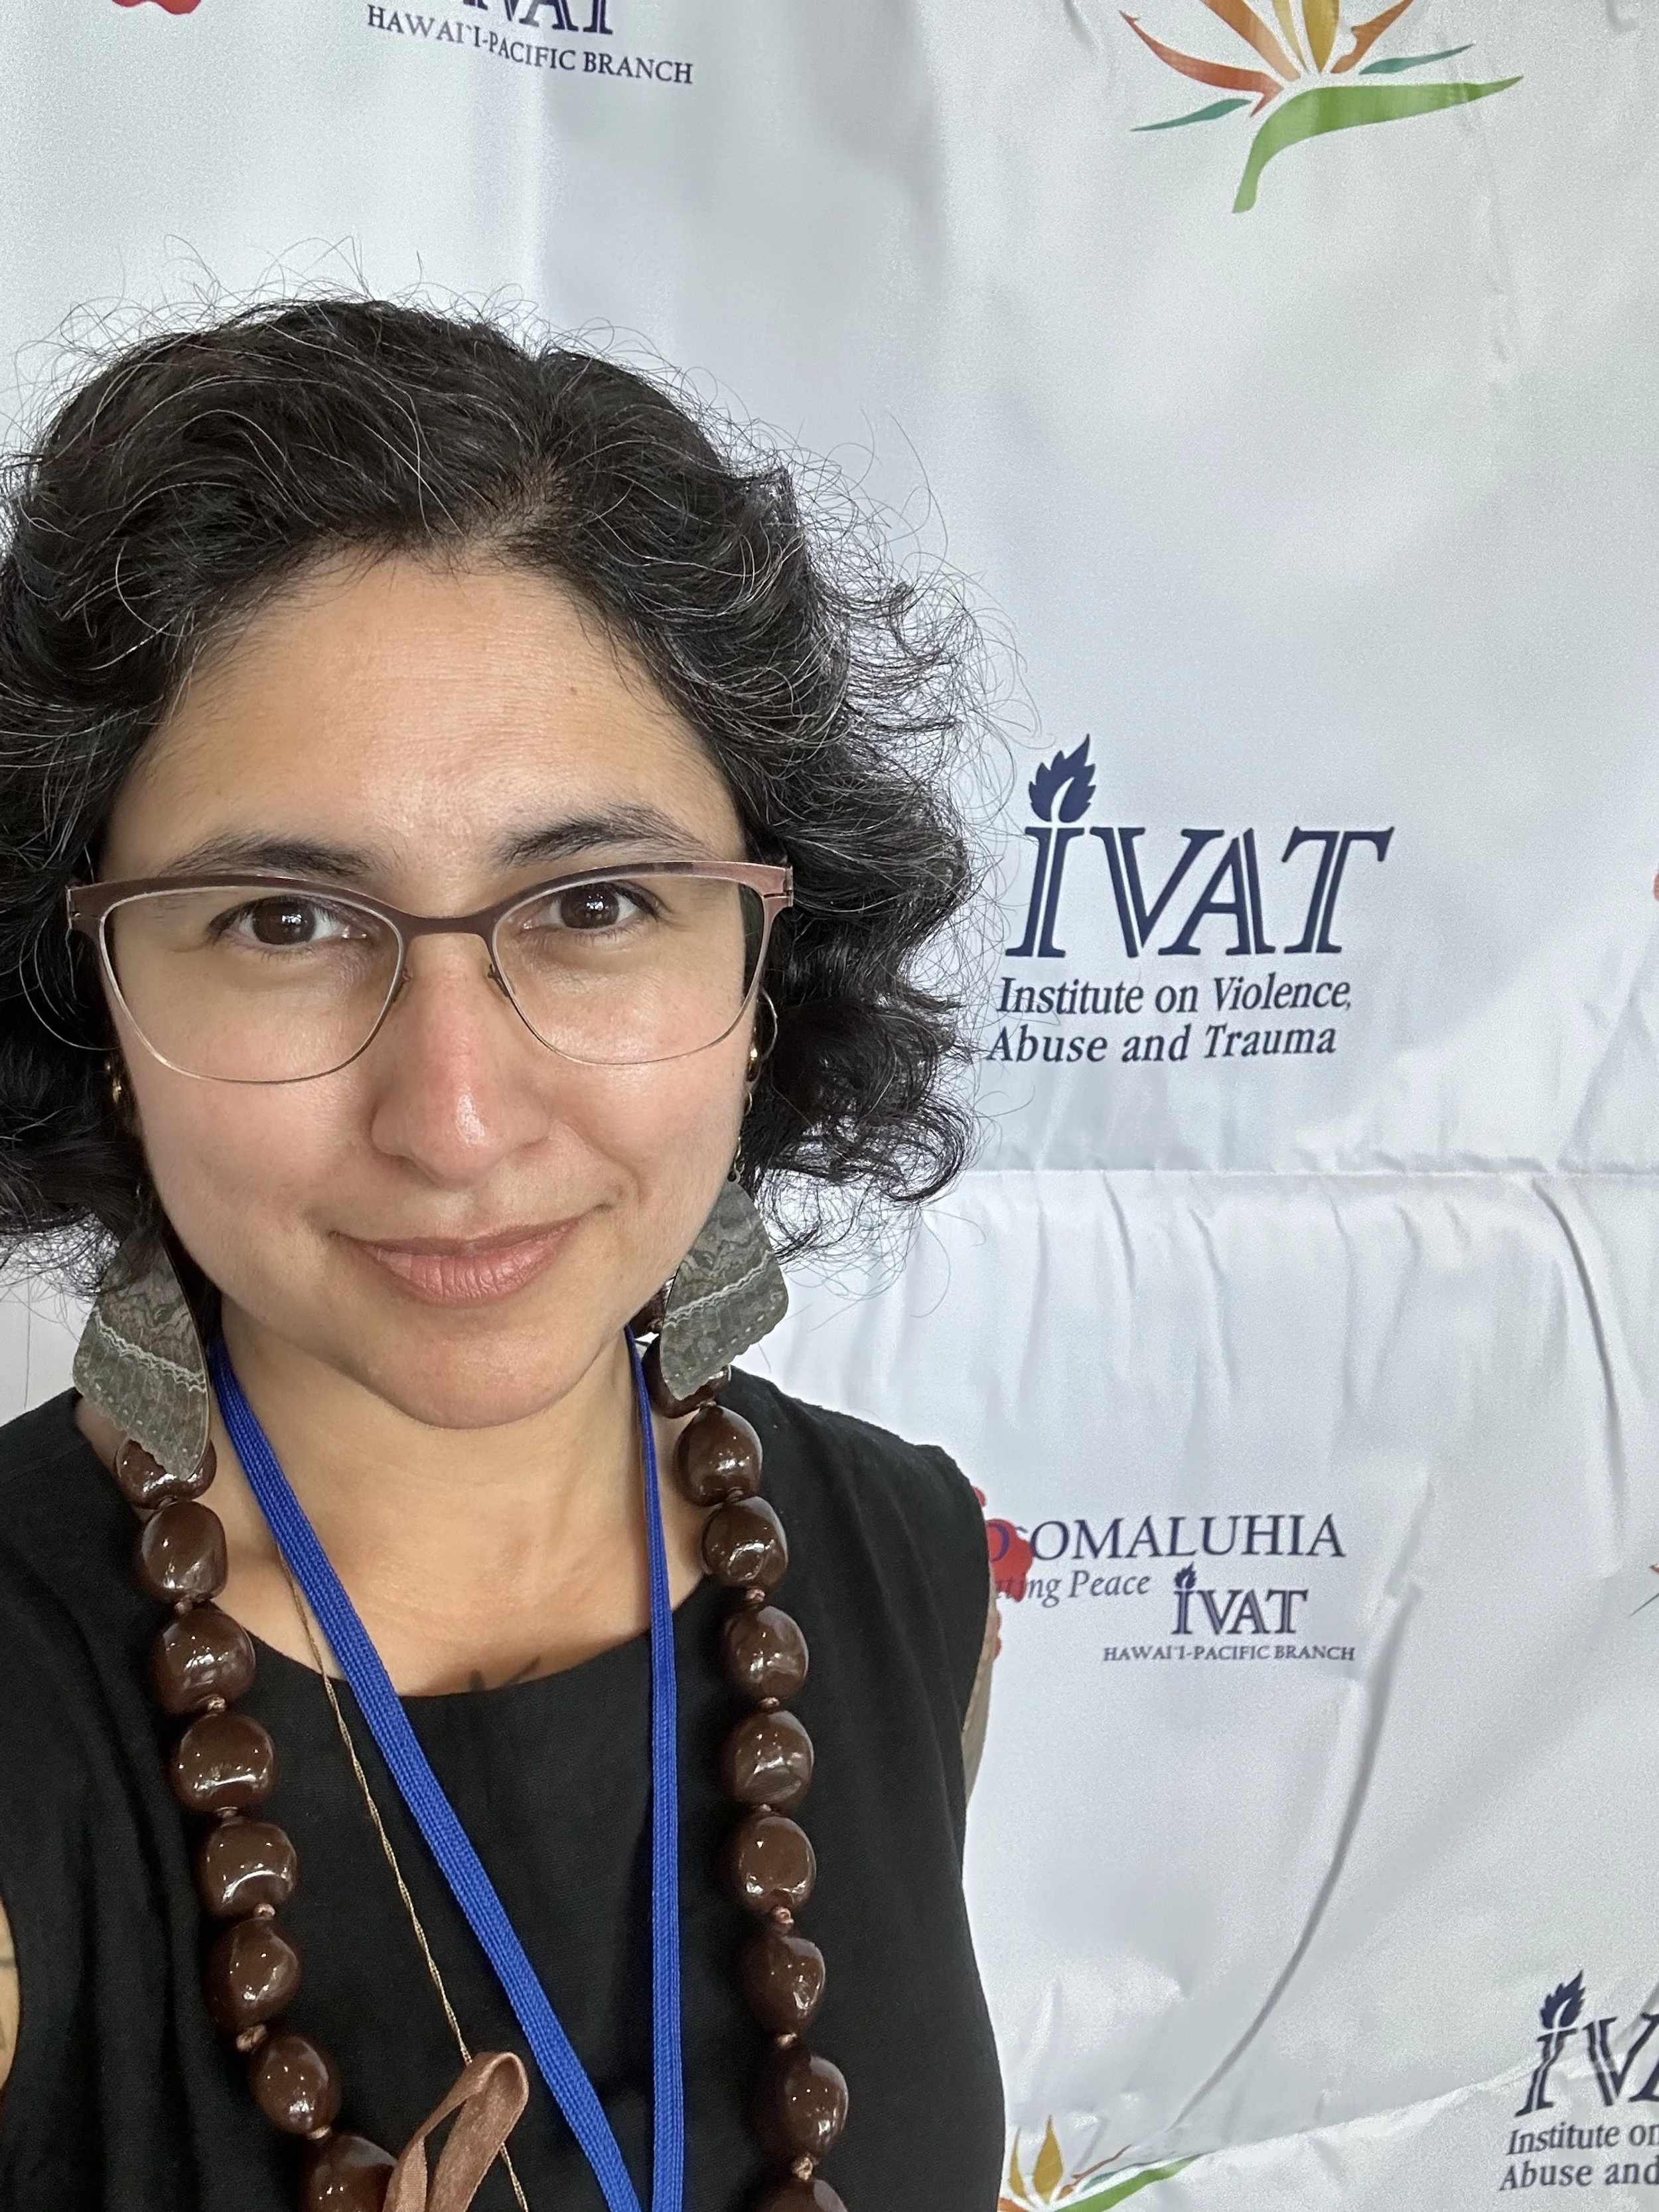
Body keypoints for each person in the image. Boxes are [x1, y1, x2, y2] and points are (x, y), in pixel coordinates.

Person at [0, 300, 1003, 2212]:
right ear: (95, 1004)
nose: (454, 1120)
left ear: (765, 973)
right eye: (283, 918)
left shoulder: (911, 1567)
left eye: (598, 902)